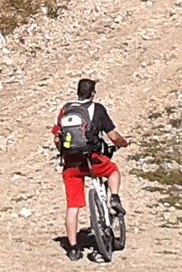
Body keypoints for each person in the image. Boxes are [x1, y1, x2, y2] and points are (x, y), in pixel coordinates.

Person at [53, 77, 129, 261]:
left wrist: (64, 153)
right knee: (112, 171)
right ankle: (115, 198)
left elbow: (57, 138)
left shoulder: (66, 110)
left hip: (71, 164)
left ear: (78, 92)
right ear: (93, 93)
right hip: (92, 160)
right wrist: (124, 143)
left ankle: (73, 249)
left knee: (72, 206)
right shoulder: (98, 109)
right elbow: (113, 136)